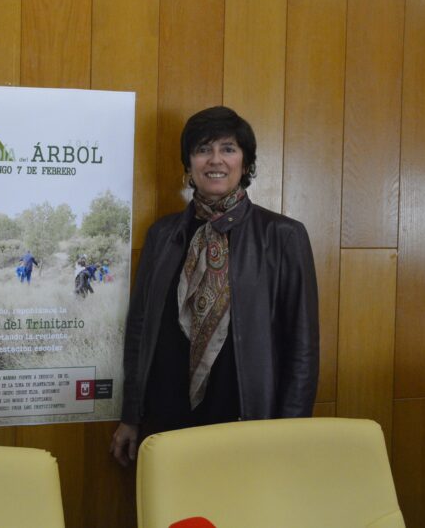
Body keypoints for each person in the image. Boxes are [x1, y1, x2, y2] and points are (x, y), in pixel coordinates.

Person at [110, 106, 318, 467]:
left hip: (247, 421)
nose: (215, 160)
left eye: (228, 148)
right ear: (188, 164)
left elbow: (302, 346)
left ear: (246, 162)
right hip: (168, 420)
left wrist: (292, 434)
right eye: (203, 149)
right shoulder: (163, 234)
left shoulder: (283, 236)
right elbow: (140, 329)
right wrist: (131, 415)